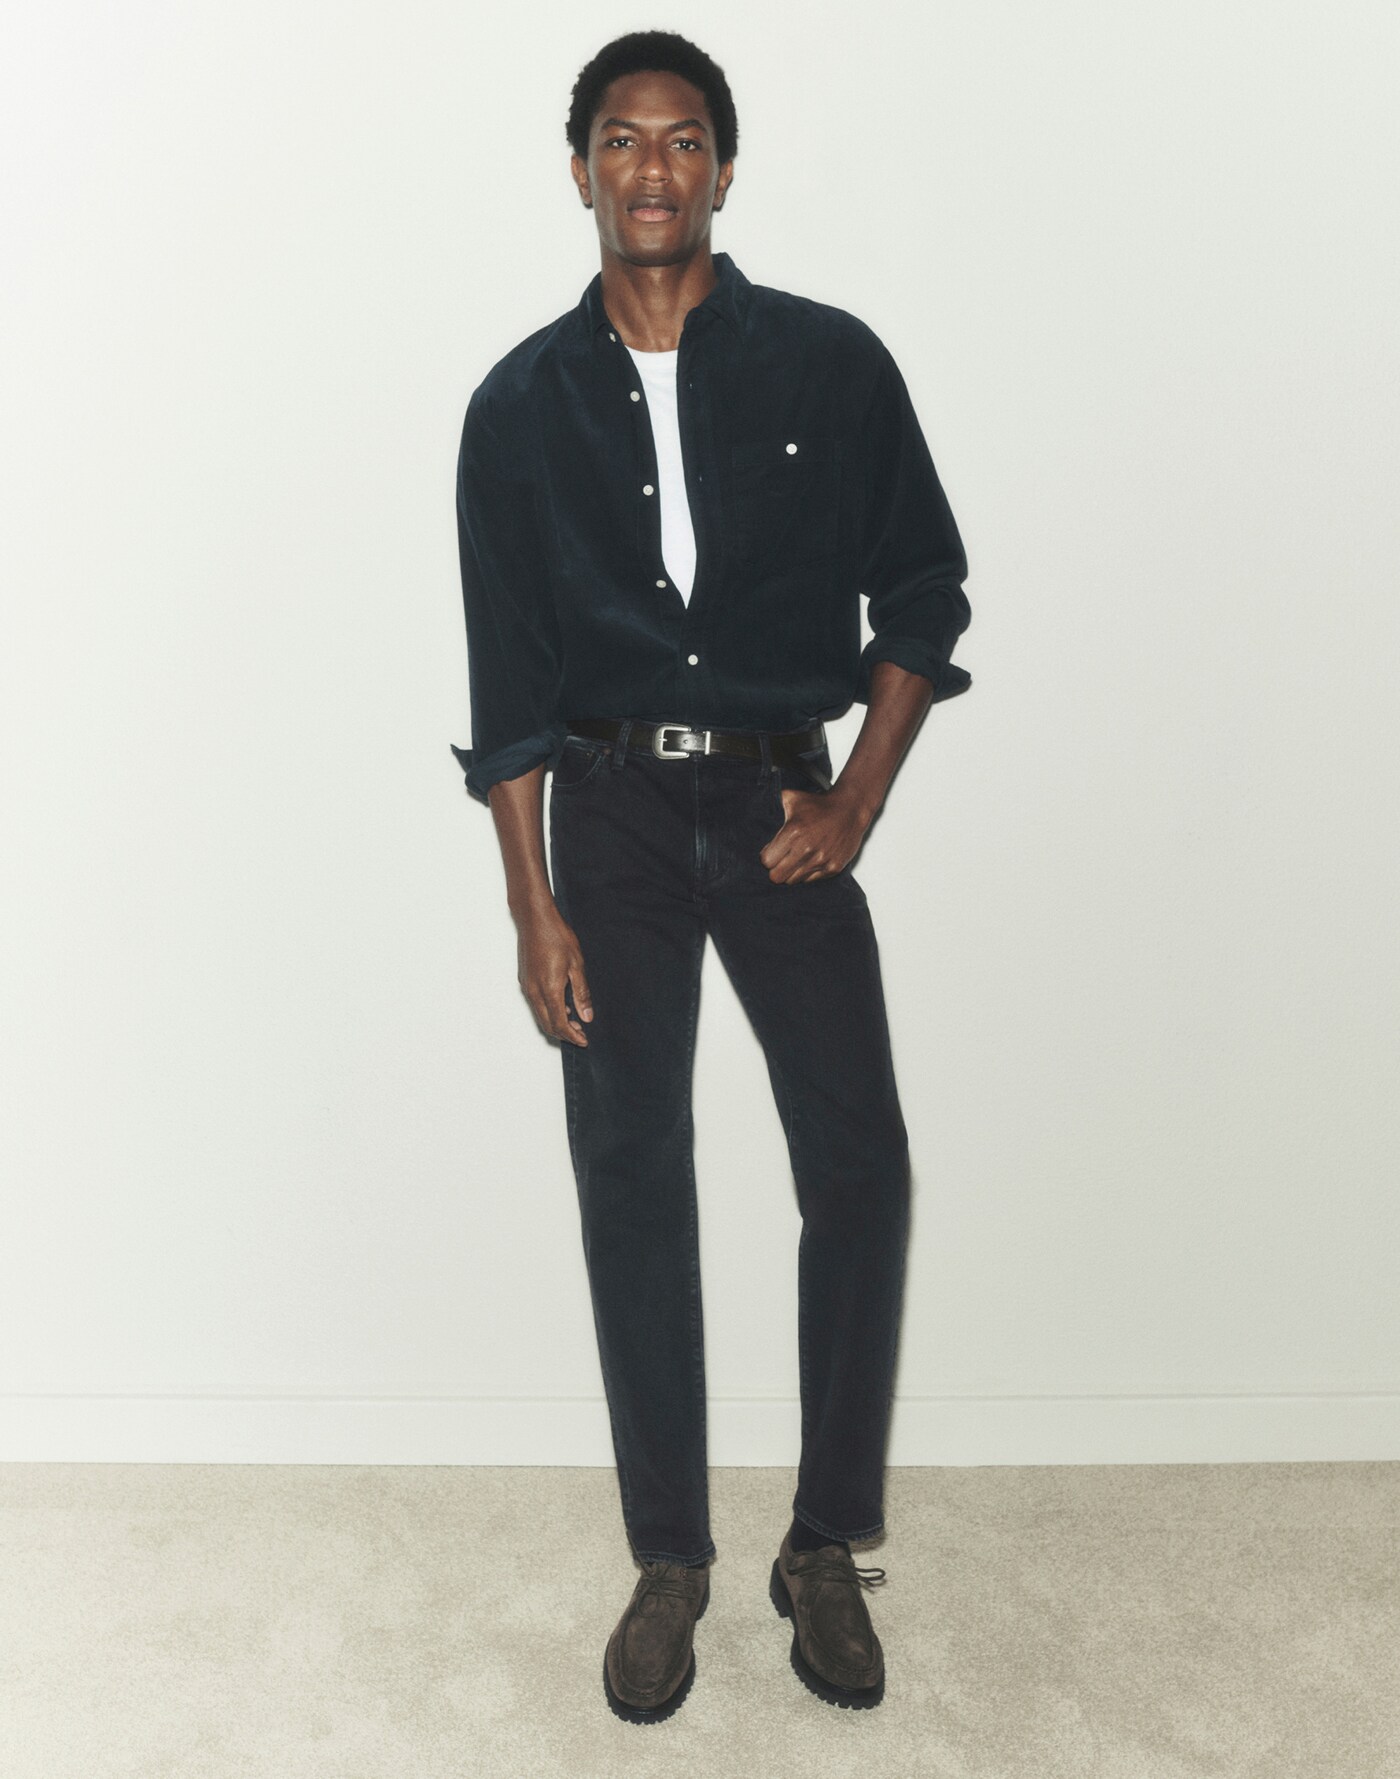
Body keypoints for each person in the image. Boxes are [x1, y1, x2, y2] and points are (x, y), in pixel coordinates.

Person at [448, 29, 972, 1725]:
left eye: (684, 139)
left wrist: (860, 798)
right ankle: (668, 1557)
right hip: (602, 815)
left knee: (861, 1162)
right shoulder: (517, 409)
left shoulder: (830, 365)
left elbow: (924, 591)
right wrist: (531, 901)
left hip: (777, 803)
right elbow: (509, 682)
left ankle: (825, 1544)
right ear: (582, 171)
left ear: (724, 170)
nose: (654, 167)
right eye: (623, 139)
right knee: (631, 1173)